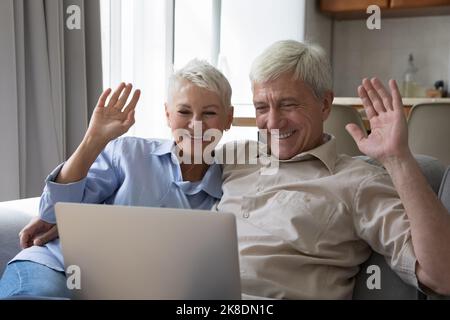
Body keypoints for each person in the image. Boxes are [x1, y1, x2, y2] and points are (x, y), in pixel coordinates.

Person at [215, 40, 450, 299]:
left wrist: (398, 159)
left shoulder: (357, 183)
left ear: (325, 104)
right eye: (261, 107)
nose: (273, 122)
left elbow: (442, 276)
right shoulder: (233, 157)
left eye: (288, 105)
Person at [0, 59, 234, 298]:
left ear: (228, 118)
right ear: (167, 115)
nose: (196, 124)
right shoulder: (129, 153)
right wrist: (94, 138)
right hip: (54, 267)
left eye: (209, 113)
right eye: (184, 111)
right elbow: (52, 212)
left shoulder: (232, 190)